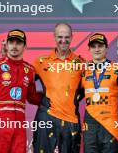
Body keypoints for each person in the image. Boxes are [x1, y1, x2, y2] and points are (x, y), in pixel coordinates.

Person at [0, 29, 41, 153]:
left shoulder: (30, 70)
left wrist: (52, 97)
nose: (14, 46)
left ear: (25, 46)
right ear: (6, 45)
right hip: (0, 120)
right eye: (11, 42)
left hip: (20, 124)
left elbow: (32, 97)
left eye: (19, 43)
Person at [32, 23, 84, 153]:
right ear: (54, 37)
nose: (63, 40)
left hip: (70, 120)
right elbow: (21, 80)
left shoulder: (81, 63)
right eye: (60, 37)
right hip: (47, 117)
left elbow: (86, 90)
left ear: (72, 37)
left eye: (67, 37)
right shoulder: (40, 62)